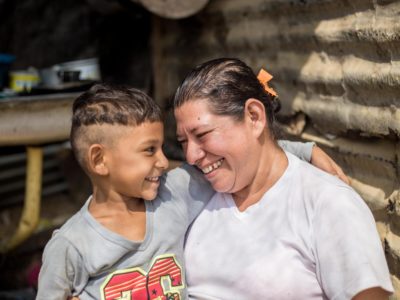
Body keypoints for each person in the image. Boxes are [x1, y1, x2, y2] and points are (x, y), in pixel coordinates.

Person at [36, 84, 324, 300]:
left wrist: (305, 151)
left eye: (162, 148)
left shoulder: (173, 196)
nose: (163, 161)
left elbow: (240, 155)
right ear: (100, 160)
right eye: (149, 150)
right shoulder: (70, 247)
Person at [173, 58, 394, 299]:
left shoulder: (328, 203)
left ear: (254, 117)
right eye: (183, 142)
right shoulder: (192, 194)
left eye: (202, 135)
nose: (191, 155)